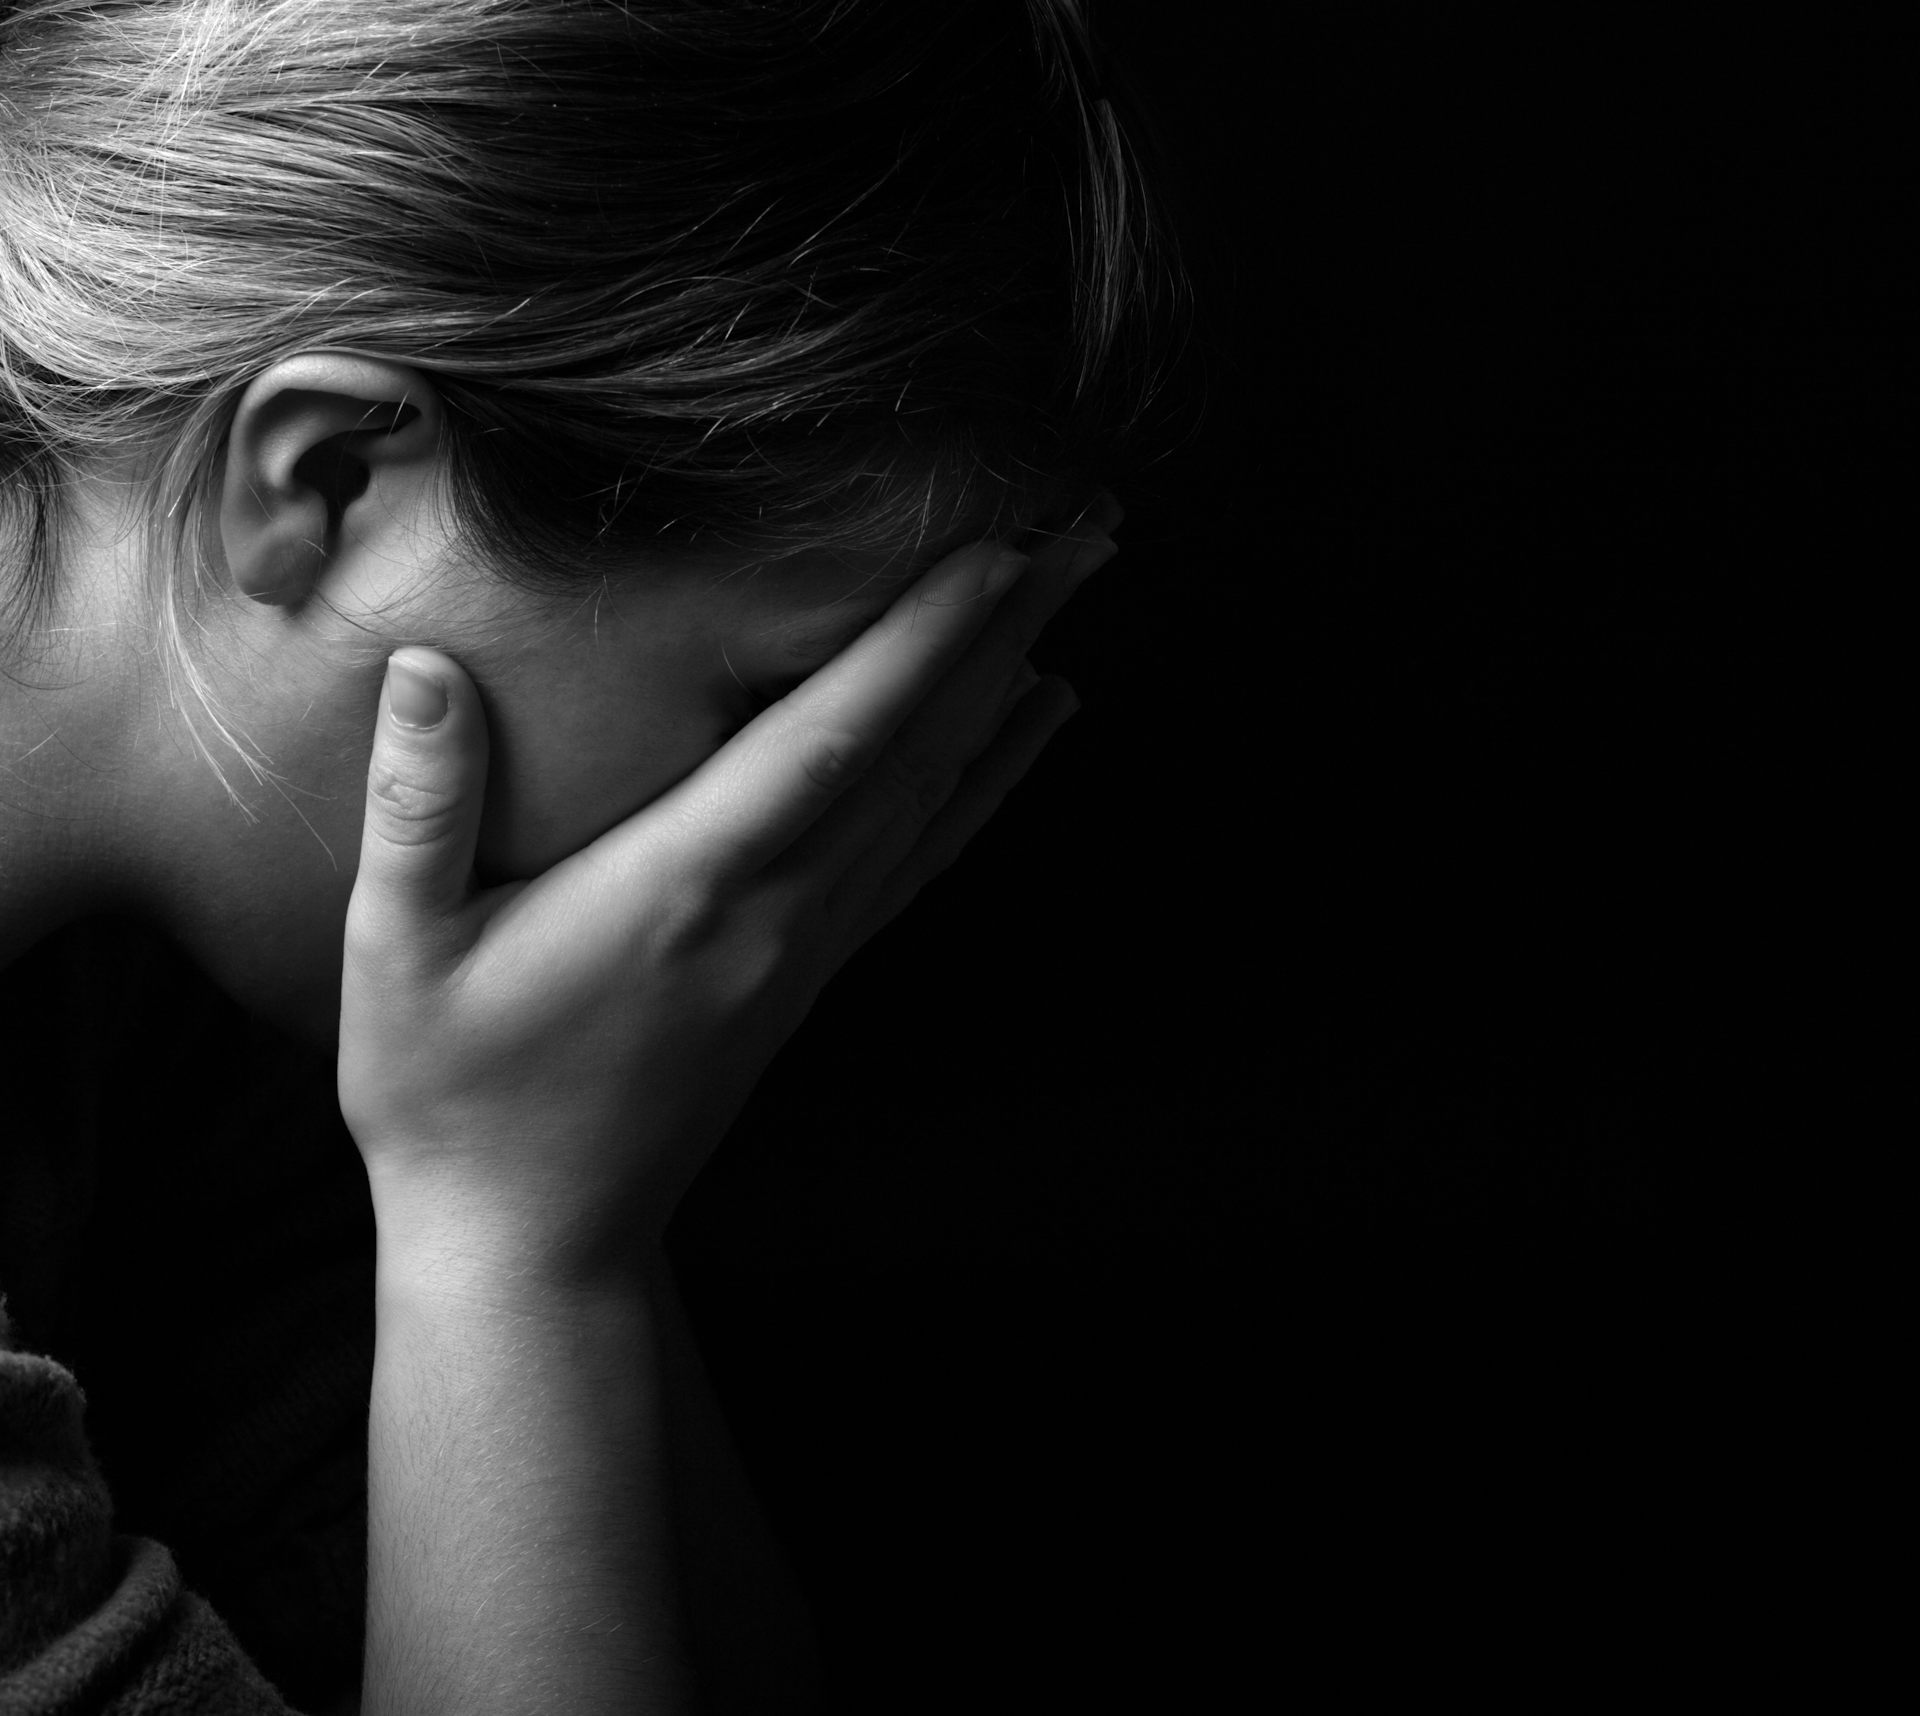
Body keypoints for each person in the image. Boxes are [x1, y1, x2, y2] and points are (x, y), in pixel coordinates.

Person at [0, 1, 1188, 1711]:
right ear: (326, 481)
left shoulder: (195, 993)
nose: (785, 843)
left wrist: (547, 1192)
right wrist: (514, 1235)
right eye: (768, 704)